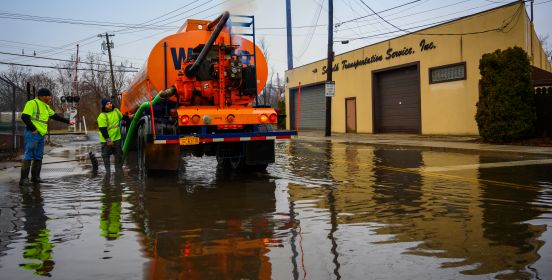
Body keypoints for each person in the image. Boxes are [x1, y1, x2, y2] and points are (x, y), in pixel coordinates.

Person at [20, 88, 75, 185]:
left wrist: (68, 121)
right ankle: (24, 180)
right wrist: (33, 129)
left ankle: (35, 177)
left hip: (41, 133)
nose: (50, 97)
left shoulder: (46, 106)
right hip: (32, 133)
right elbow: (24, 117)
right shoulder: (32, 103)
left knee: (38, 156)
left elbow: (54, 116)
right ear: (43, 96)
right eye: (49, 96)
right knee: (29, 155)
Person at [97, 98, 130, 173]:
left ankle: (118, 174)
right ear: (104, 106)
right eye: (107, 104)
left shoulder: (116, 111)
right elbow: (103, 129)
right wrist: (108, 139)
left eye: (110, 103)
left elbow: (123, 117)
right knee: (106, 157)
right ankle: (107, 173)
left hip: (116, 139)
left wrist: (130, 117)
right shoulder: (102, 116)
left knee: (118, 157)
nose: (110, 105)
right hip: (106, 141)